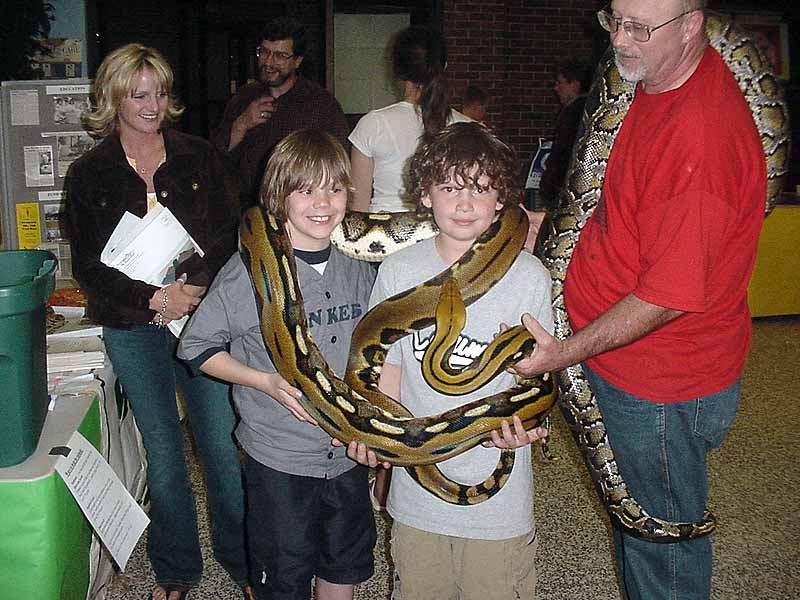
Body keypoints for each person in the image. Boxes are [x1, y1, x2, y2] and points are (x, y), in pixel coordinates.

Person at [512, 2, 767, 599]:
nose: (620, 41)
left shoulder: (700, 139)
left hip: (659, 382)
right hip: (629, 364)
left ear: (693, 24)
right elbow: (631, 207)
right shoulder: (652, 82)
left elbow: (668, 297)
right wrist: (553, 230)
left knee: (660, 544)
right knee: (640, 526)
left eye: (639, 28)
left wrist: (565, 352)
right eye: (614, 21)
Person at [63, 44, 250, 600]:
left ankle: (244, 562)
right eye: (138, 95)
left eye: (160, 93)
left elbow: (230, 234)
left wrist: (191, 289)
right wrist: (152, 299)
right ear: (113, 99)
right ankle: (175, 569)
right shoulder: (88, 173)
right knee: (164, 452)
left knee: (222, 446)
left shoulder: (200, 156)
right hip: (132, 327)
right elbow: (88, 265)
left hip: (202, 321)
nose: (152, 106)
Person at [345, 122, 553, 600]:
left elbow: (540, 380)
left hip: (500, 503)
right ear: (425, 194)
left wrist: (530, 427)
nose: (464, 204)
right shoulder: (399, 270)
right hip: (415, 498)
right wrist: (379, 442)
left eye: (479, 189)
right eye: (450, 188)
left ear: (502, 199)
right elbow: (387, 369)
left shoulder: (529, 278)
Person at [177, 129, 377, 600]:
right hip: (279, 459)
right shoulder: (246, 273)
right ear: (278, 196)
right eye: (305, 190)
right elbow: (196, 347)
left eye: (334, 188)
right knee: (282, 577)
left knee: (343, 565)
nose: (322, 202)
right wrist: (264, 381)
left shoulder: (358, 268)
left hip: (346, 455)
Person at [211, 16, 349, 209]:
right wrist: (242, 124)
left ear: (297, 61)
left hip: (300, 207)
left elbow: (338, 164)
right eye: (264, 52)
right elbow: (215, 158)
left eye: (280, 56)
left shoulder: (321, 104)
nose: (269, 62)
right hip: (247, 208)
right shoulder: (244, 98)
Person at [348, 25, 471, 213]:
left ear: (397, 70)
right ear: (444, 66)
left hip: (383, 229)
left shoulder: (372, 124)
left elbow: (358, 208)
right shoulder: (469, 128)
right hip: (447, 229)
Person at [537, 57, 590, 210]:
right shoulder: (585, 110)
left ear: (575, 84)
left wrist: (548, 186)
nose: (556, 88)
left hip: (562, 192)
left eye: (560, 83)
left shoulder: (573, 113)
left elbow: (562, 155)